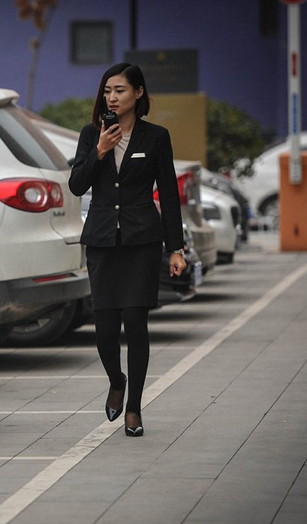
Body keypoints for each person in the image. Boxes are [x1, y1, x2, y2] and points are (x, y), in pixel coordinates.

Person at [69, 63, 186, 437]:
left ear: (138, 93)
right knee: (104, 330)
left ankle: (134, 407)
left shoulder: (156, 137)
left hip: (142, 241)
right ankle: (116, 380)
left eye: (120, 90)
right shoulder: (92, 134)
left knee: (135, 322)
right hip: (103, 240)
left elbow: (168, 194)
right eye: (107, 91)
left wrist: (177, 249)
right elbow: (76, 185)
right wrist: (100, 151)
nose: (112, 97)